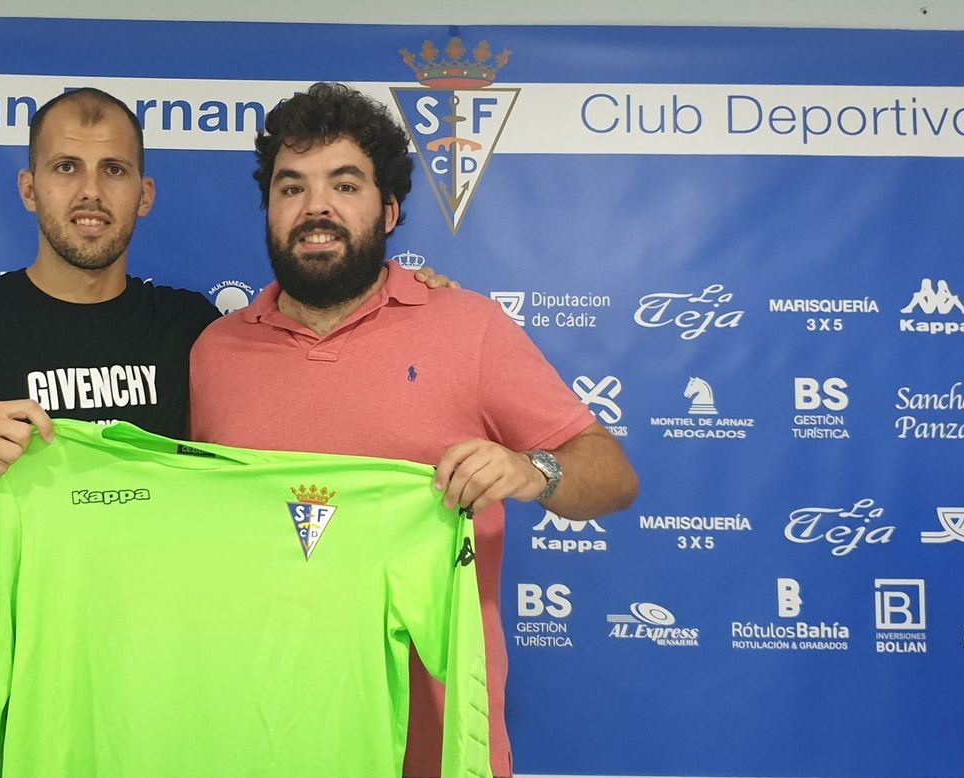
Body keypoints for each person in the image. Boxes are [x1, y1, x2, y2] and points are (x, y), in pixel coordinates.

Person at [0, 86, 454, 777]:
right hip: (1, 687)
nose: (90, 192)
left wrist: (401, 301)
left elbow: (314, 354)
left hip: (160, 704)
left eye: (114, 171)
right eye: (65, 168)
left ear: (146, 193)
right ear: (28, 187)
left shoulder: (196, 332)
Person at [189, 82, 639, 778]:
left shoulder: (470, 327)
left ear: (390, 209)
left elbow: (613, 476)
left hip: (435, 746)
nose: (316, 208)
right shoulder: (213, 352)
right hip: (257, 736)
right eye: (291, 187)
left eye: (344, 184)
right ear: (269, 211)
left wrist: (534, 470)